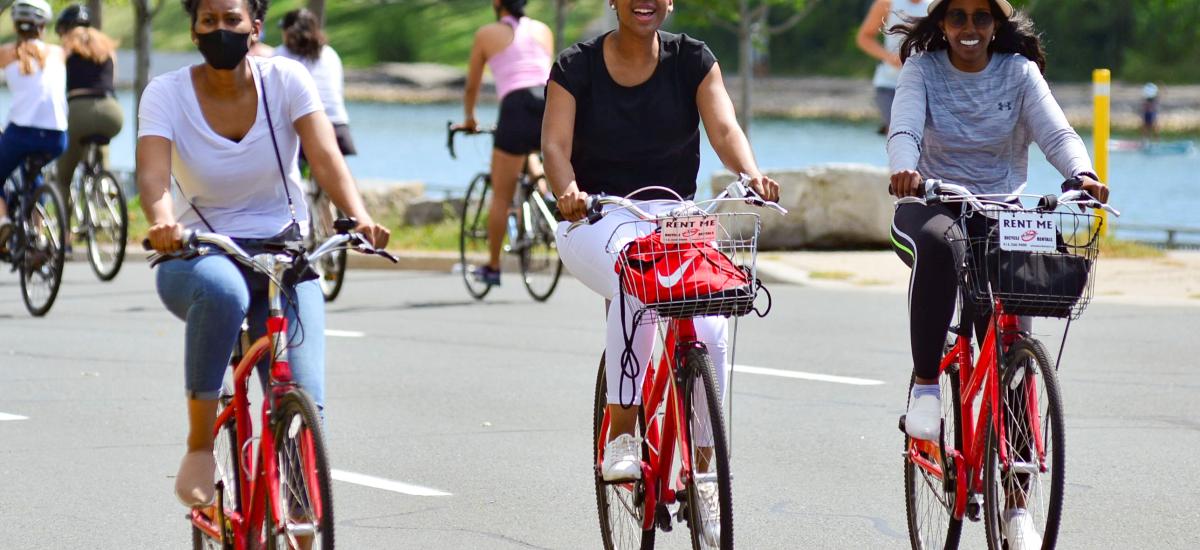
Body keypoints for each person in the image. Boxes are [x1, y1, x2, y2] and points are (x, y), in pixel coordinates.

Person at [137, 0, 389, 508]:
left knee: (303, 392)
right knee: (224, 291)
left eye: (231, 20)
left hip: (282, 254)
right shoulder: (166, 93)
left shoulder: (287, 80)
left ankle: (299, 505)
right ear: (193, 30)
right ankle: (201, 447)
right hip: (199, 254)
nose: (220, 30)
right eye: (208, 21)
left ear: (254, 27)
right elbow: (152, 175)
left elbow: (324, 157)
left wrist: (357, 215)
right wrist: (163, 222)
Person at [543, 0, 778, 543]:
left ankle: (703, 471)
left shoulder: (692, 59)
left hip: (675, 218)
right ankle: (622, 430)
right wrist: (567, 192)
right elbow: (555, 145)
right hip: (597, 218)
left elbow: (724, 129)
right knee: (637, 279)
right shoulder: (575, 67)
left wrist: (751, 174)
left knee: (714, 318)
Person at [886, 1, 1109, 547]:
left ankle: (1016, 511)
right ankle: (925, 391)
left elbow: (1056, 133)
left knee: (1013, 348)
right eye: (957, 16)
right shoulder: (922, 68)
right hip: (934, 201)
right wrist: (905, 170)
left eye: (981, 18)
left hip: (1003, 211)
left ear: (997, 25)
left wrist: (1081, 172)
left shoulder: (1019, 71)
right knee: (940, 246)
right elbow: (905, 128)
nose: (969, 28)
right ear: (941, 22)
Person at [458, 0, 554, 286]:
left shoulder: (487, 33)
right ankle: (545, 197)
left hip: (516, 106)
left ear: (497, 3)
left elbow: (472, 85)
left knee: (501, 195)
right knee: (529, 151)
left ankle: (493, 266)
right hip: (547, 103)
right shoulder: (543, 29)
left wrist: (470, 118)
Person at [0, 0, 67, 248]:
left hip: (20, 133)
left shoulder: (6, 53)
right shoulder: (58, 53)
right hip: (57, 136)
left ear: (17, 26)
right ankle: (38, 236)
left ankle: (3, 221)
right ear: (43, 25)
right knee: (33, 174)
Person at [53, 4, 123, 205]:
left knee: (63, 176)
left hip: (79, 111)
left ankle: (64, 232)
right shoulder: (106, 46)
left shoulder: (65, 48)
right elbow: (112, 81)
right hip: (112, 112)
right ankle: (104, 180)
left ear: (65, 29)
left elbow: (56, 85)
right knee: (100, 136)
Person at [276, 8, 356, 158]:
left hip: (301, 128)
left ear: (288, 32)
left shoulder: (281, 54)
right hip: (337, 125)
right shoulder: (330, 54)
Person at [856, 0, 931, 135]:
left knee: (926, 139)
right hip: (890, 84)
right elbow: (864, 37)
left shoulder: (937, 5)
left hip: (926, 86)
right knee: (900, 135)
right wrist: (889, 57)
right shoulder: (887, 3)